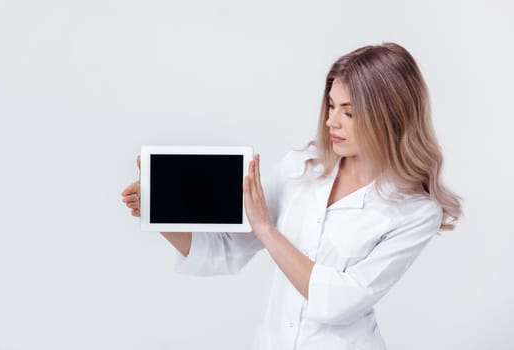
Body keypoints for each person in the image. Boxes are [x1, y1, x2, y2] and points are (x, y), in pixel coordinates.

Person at [121, 42, 462, 349]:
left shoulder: (416, 211)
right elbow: (227, 251)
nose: (331, 121)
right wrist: (158, 211)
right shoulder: (301, 169)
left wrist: (267, 229)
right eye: (330, 105)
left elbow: (338, 302)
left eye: (349, 112)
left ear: (390, 118)